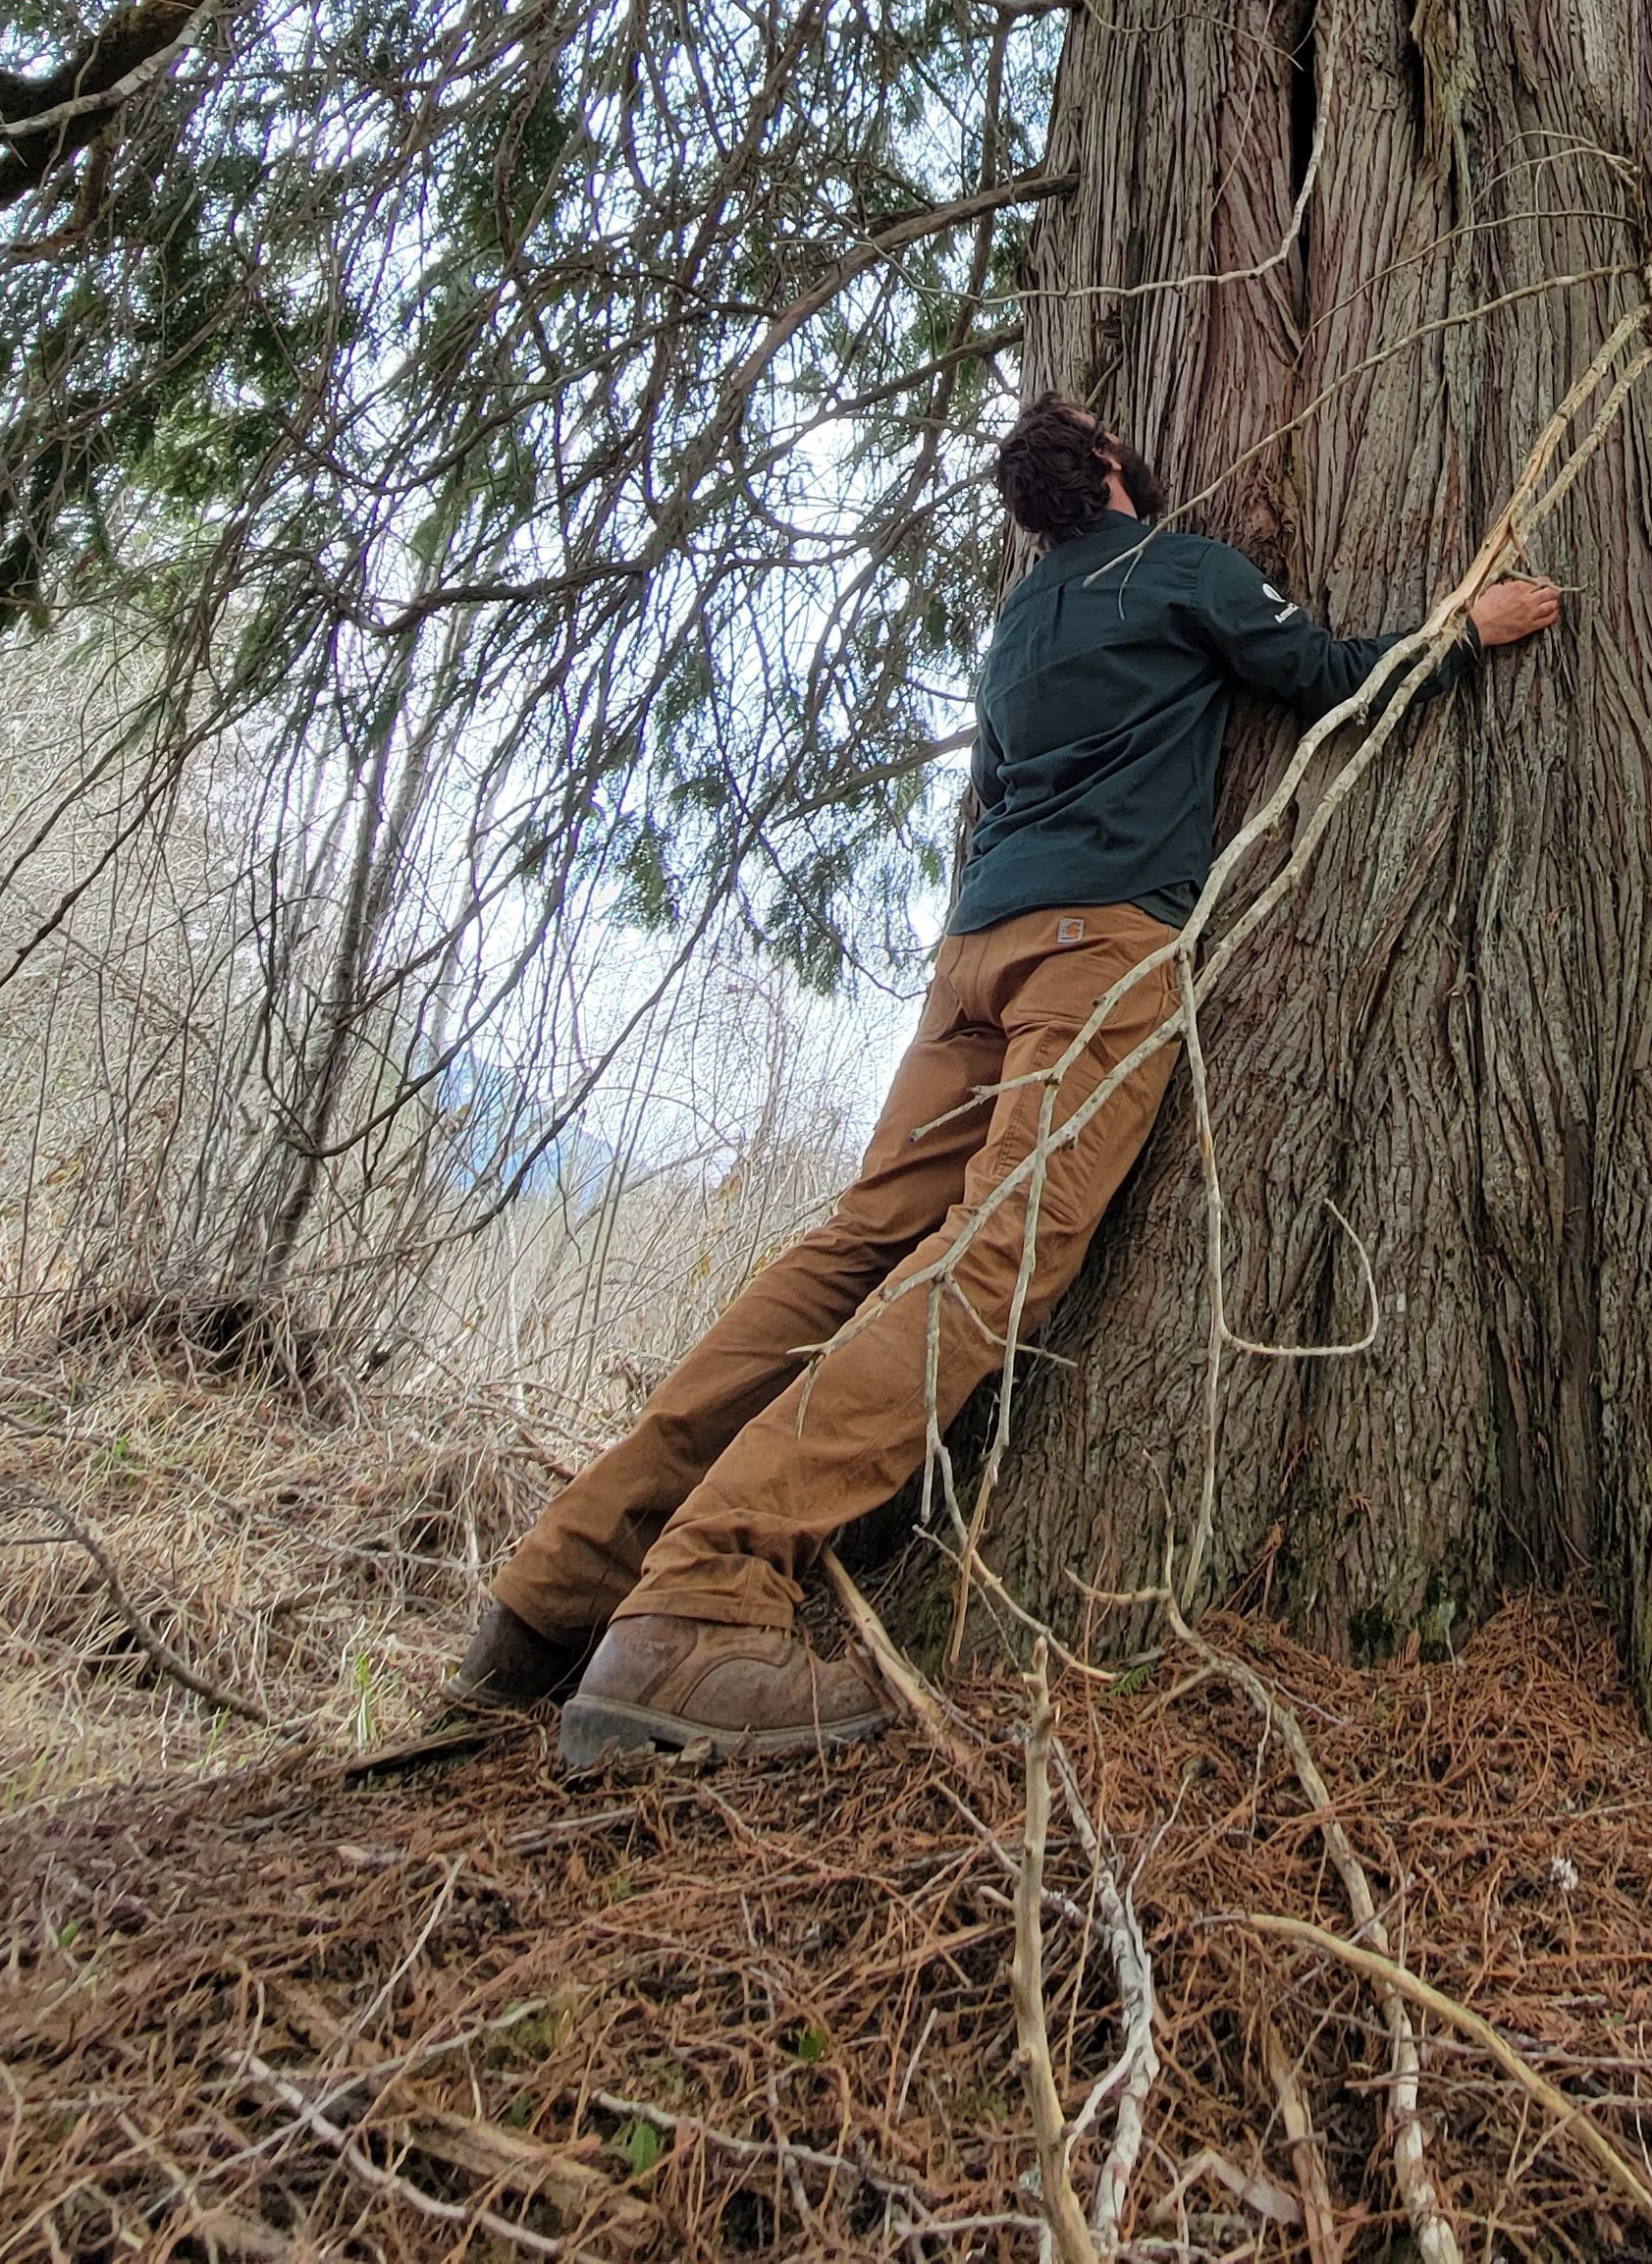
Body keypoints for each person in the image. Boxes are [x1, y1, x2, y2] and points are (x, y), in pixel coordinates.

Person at [448, 392, 1563, 1765]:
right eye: (1118, 436)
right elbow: (1332, 675)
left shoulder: (1014, 625)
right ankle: (700, 1593)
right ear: (1107, 467)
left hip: (972, 958)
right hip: (1093, 950)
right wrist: (1466, 631)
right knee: (995, 1254)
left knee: (858, 1244)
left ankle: (554, 1591)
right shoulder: (1178, 564)